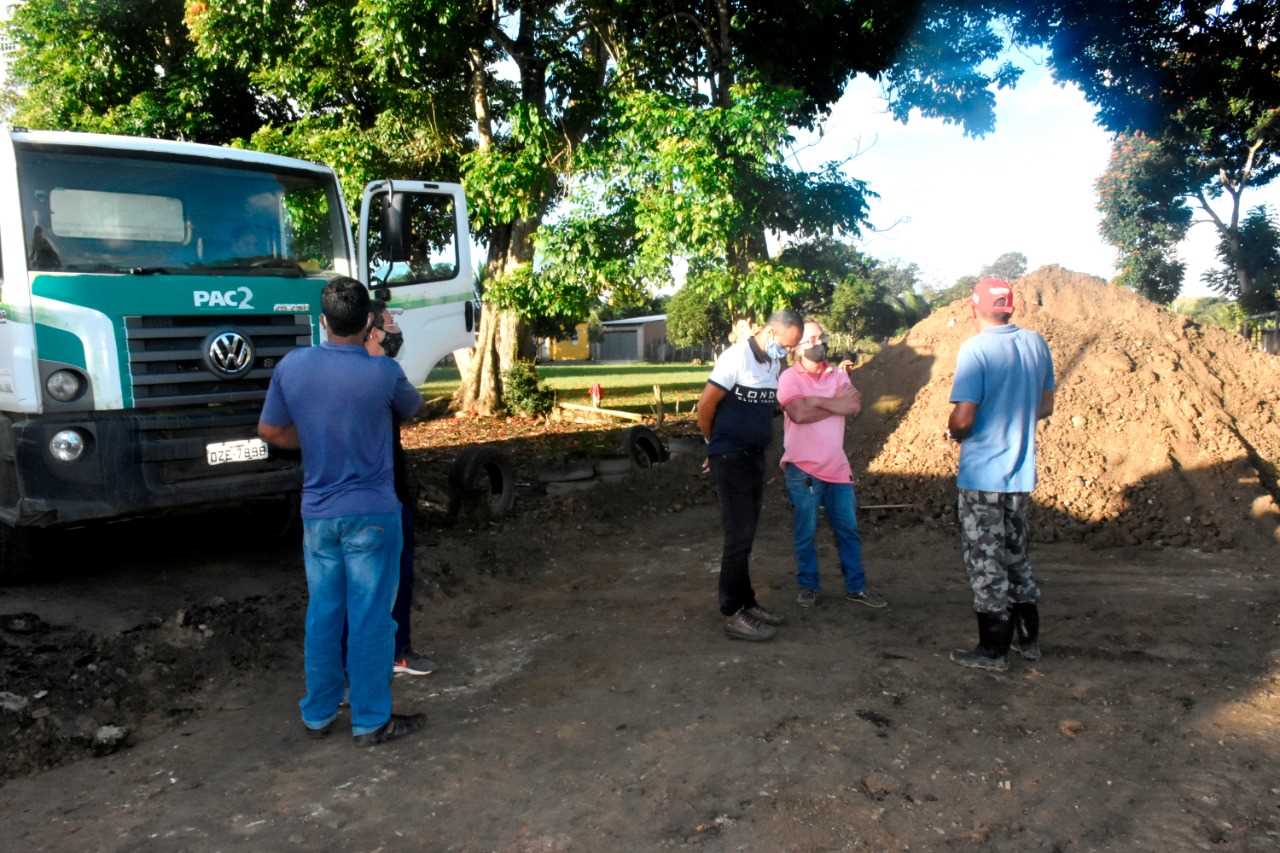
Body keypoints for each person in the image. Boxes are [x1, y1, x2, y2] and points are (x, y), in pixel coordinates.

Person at [258, 277, 425, 746]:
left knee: (324, 613)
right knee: (372, 616)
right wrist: (381, 354)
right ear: (369, 321)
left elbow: (270, 431)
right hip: (373, 513)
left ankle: (318, 711)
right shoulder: (382, 372)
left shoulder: (293, 366)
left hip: (318, 516)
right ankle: (371, 719)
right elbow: (415, 407)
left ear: (323, 320)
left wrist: (309, 443)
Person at [945, 277, 1055, 671]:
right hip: (1020, 475)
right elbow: (1044, 407)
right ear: (1011, 307)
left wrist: (954, 431)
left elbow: (964, 416)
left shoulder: (976, 350)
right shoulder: (1036, 344)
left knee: (985, 562)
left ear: (975, 307)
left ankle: (992, 650)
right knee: (1016, 556)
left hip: (982, 476)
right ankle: (1029, 641)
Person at [696, 309, 804, 641]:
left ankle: (747, 601)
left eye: (791, 348)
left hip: (755, 456)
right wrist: (713, 446)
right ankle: (732, 612)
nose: (787, 353)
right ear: (771, 333)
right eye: (786, 345)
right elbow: (705, 406)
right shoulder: (736, 358)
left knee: (747, 533)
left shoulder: (772, 363)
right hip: (730, 458)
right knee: (737, 535)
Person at [777, 321, 887, 610]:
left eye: (821, 338)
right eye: (811, 339)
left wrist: (815, 401)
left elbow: (853, 406)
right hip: (803, 469)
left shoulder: (837, 374)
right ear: (797, 347)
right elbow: (798, 414)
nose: (819, 344)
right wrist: (831, 403)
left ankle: (857, 587)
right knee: (806, 530)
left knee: (848, 530)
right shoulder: (789, 377)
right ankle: (808, 586)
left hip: (837, 468)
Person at [364, 301, 435, 677]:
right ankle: (394, 654)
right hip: (384, 494)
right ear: (372, 331)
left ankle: (353, 669)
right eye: (390, 321)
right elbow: (414, 406)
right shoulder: (384, 372)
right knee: (393, 576)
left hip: (341, 498)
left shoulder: (321, 370)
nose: (396, 329)